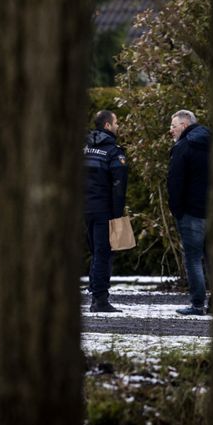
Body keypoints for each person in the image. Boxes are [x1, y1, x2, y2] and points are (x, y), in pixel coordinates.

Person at [167, 109, 212, 316]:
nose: (171, 130)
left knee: (193, 259)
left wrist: (177, 210)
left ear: (184, 125)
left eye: (173, 126)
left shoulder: (184, 147)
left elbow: (175, 182)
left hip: (191, 212)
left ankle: (197, 304)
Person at [84, 110, 128, 313]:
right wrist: (117, 217)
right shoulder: (113, 152)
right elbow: (118, 186)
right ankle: (100, 299)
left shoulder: (85, 148)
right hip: (104, 210)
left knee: (95, 252)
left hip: (86, 209)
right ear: (108, 126)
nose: (118, 126)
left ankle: (95, 292)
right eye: (116, 122)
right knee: (104, 253)